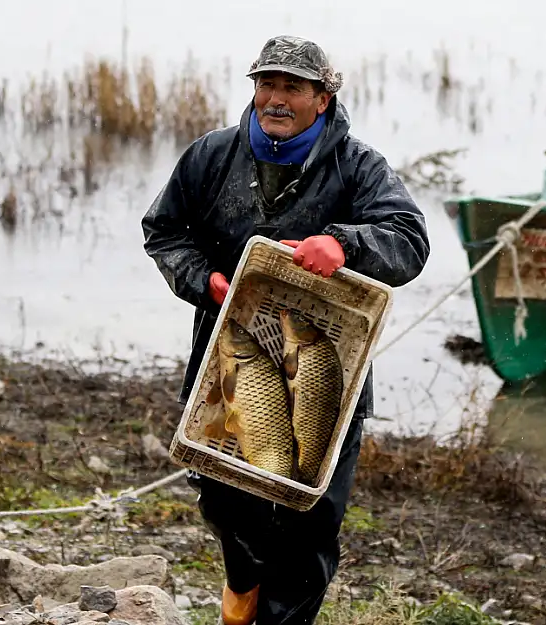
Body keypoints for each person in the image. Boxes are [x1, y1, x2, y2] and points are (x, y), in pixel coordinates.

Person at [140, 35, 430, 625]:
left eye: (292, 87)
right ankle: (242, 587)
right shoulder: (211, 155)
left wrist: (345, 244)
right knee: (225, 500)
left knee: (307, 525)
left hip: (329, 368)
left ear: (322, 99)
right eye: (266, 84)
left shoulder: (358, 166)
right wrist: (207, 282)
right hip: (225, 353)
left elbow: (409, 241)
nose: (275, 98)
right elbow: (164, 232)